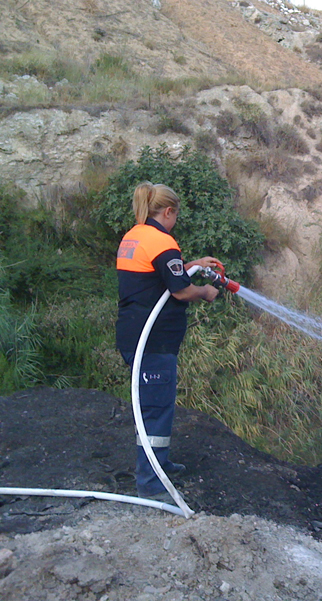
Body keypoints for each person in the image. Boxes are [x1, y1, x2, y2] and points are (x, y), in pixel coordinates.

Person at [116, 181, 221, 502]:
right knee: (156, 408)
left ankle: (158, 464)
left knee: (153, 405)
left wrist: (192, 265)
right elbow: (180, 290)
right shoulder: (162, 241)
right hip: (153, 342)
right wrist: (204, 292)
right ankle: (151, 484)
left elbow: (158, 277)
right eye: (176, 215)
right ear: (169, 211)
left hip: (135, 334)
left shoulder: (134, 236)